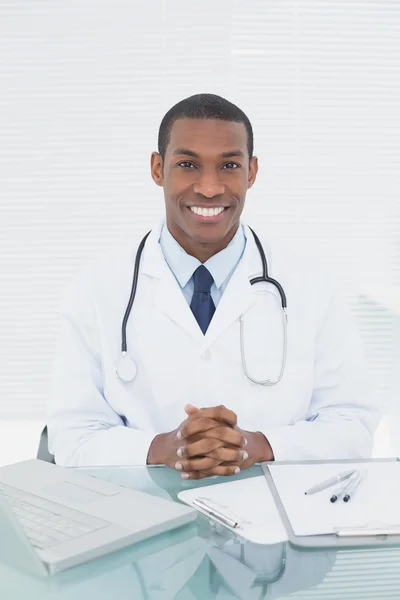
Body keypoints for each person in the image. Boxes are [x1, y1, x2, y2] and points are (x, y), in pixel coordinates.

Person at [47, 93, 379, 478]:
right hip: (145, 519)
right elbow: (71, 437)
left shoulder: (311, 286)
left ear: (251, 172)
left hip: (277, 518)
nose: (209, 188)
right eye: (188, 164)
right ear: (158, 169)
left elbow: (353, 425)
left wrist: (260, 445)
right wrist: (161, 448)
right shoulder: (96, 289)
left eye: (229, 165)